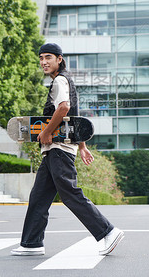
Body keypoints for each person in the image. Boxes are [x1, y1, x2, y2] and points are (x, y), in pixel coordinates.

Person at [11, 43, 124, 257]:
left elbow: (63, 108)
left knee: (70, 193)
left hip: (58, 149)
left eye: (48, 57)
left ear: (59, 59)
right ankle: (31, 243)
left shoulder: (60, 81)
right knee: (38, 197)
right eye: (41, 58)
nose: (44, 61)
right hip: (56, 149)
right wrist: (82, 145)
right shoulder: (65, 81)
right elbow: (74, 117)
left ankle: (108, 232)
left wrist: (45, 133)